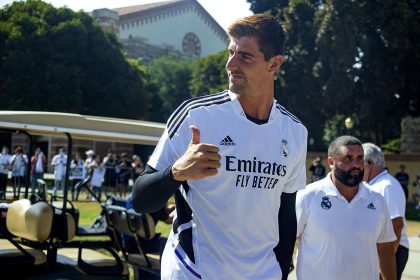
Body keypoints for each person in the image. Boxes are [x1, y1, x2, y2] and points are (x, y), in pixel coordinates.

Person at [131, 14, 308, 280]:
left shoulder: (294, 132)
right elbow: (140, 199)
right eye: (230, 52)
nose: (230, 64)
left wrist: (282, 271)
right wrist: (176, 172)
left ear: (275, 64)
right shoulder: (196, 116)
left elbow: (286, 215)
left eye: (245, 57)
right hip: (194, 271)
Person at [296, 136, 396, 280]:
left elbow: (385, 248)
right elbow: (285, 243)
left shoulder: (377, 200)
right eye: (348, 158)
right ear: (331, 162)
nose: (356, 164)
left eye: (360, 158)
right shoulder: (308, 196)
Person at [363, 143, 409, 280]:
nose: (357, 168)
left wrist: (385, 263)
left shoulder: (386, 186)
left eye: (360, 162)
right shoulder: (376, 184)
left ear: (370, 163)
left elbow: (397, 224)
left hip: (392, 250)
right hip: (383, 251)